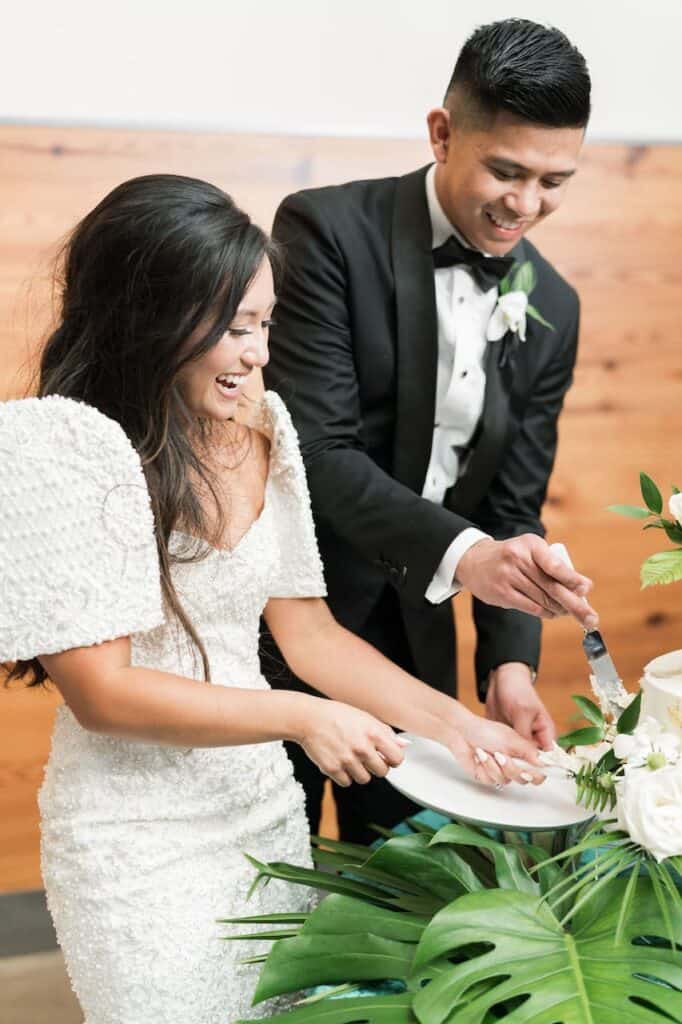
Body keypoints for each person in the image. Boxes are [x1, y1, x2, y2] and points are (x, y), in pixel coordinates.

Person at [0, 174, 550, 1024]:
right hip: (133, 835)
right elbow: (102, 694)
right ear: (149, 315)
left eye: (264, 322)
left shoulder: (266, 425)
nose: (258, 353)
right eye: (231, 327)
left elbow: (311, 635)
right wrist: (303, 718)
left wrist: (458, 725)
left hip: (257, 812)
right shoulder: (63, 448)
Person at [264, 18, 596, 843]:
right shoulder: (327, 232)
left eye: (555, 180)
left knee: (407, 888)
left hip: (419, 637)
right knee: (271, 876)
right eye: (507, 171)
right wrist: (471, 557)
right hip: (285, 617)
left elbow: (516, 503)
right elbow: (316, 451)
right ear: (443, 134)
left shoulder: (554, 308)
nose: (526, 205)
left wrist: (510, 665)